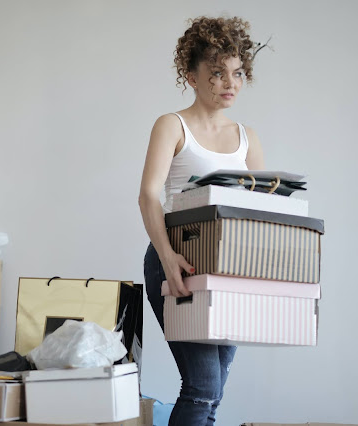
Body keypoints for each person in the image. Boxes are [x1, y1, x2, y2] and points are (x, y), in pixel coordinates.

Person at [138, 16, 265, 426]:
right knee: (203, 386)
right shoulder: (172, 125)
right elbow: (148, 195)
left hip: (228, 268)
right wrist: (167, 256)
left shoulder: (248, 137)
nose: (229, 83)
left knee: (214, 391)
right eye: (216, 73)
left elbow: (259, 212)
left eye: (237, 73)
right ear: (191, 77)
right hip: (178, 259)